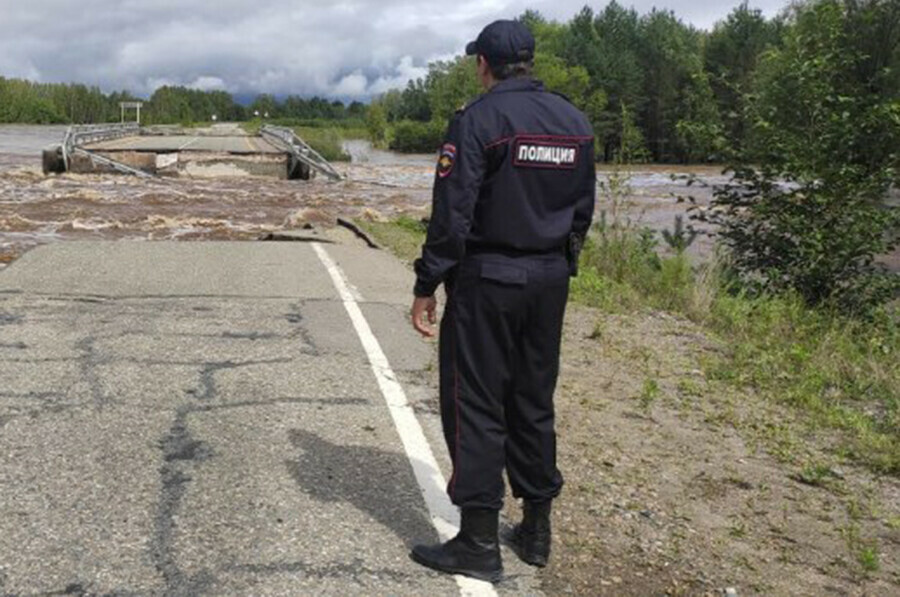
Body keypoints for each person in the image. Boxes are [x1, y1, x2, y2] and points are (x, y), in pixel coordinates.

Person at [408, 19, 596, 583]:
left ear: (483, 64)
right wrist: (564, 263)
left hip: (488, 279)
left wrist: (427, 283)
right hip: (549, 280)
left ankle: (478, 542)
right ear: (529, 62)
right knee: (533, 399)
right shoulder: (574, 121)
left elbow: (453, 213)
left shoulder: (477, 121)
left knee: (477, 403)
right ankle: (536, 530)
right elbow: (582, 209)